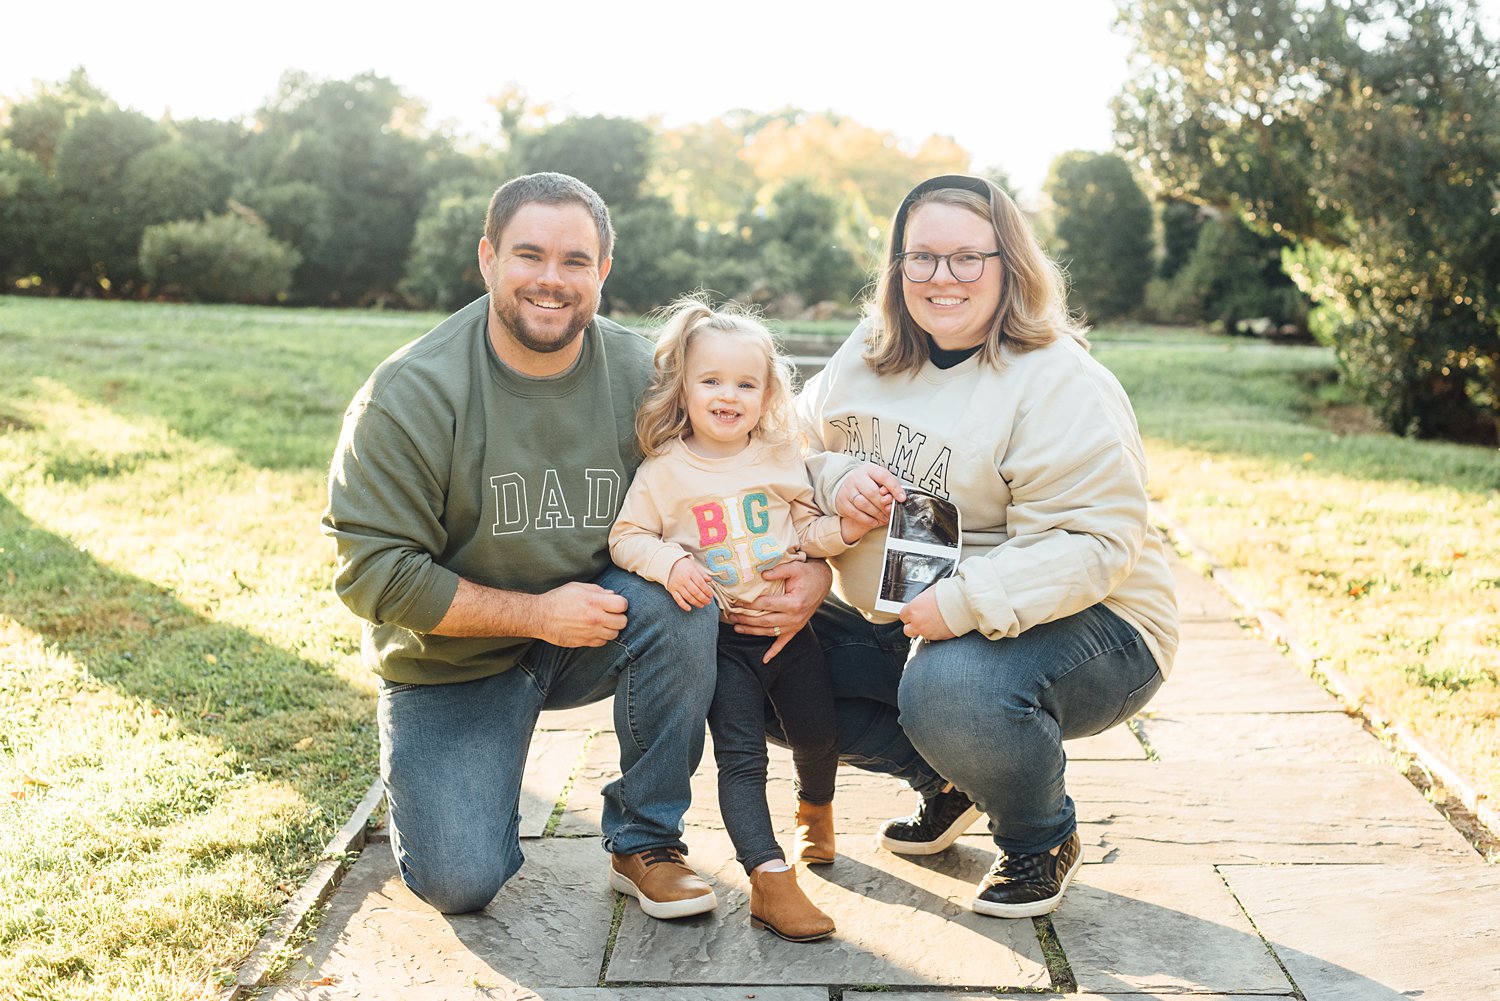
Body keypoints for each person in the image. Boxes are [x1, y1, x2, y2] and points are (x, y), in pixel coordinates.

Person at [321, 172, 817, 921]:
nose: (551, 280)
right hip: (453, 658)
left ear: (602, 272)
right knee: (459, 881)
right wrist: (536, 613)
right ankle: (445, 774)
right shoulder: (410, 394)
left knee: (682, 597)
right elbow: (374, 579)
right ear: (488, 258)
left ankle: (645, 839)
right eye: (529, 255)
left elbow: (757, 457)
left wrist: (812, 566)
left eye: (575, 261)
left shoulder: (647, 375)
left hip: (600, 623)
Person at [756, 173, 1179, 920]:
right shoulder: (868, 352)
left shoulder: (1058, 381)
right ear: (896, 267)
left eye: (966, 258)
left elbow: (1095, 541)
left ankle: (1039, 834)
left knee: (951, 689)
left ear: (1009, 265)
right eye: (921, 257)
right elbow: (780, 445)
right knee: (747, 646)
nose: (940, 277)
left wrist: (963, 601)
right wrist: (836, 476)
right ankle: (950, 783)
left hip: (1098, 625)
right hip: (910, 613)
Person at [609, 298, 881, 942]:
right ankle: (766, 877)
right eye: (711, 381)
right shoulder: (665, 471)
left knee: (817, 733)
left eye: (745, 384)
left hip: (788, 632)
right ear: (683, 388)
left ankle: (815, 808)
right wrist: (670, 562)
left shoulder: (779, 457)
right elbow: (627, 536)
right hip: (722, 640)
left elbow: (807, 529)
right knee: (741, 758)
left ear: (766, 395)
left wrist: (843, 529)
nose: (727, 396)